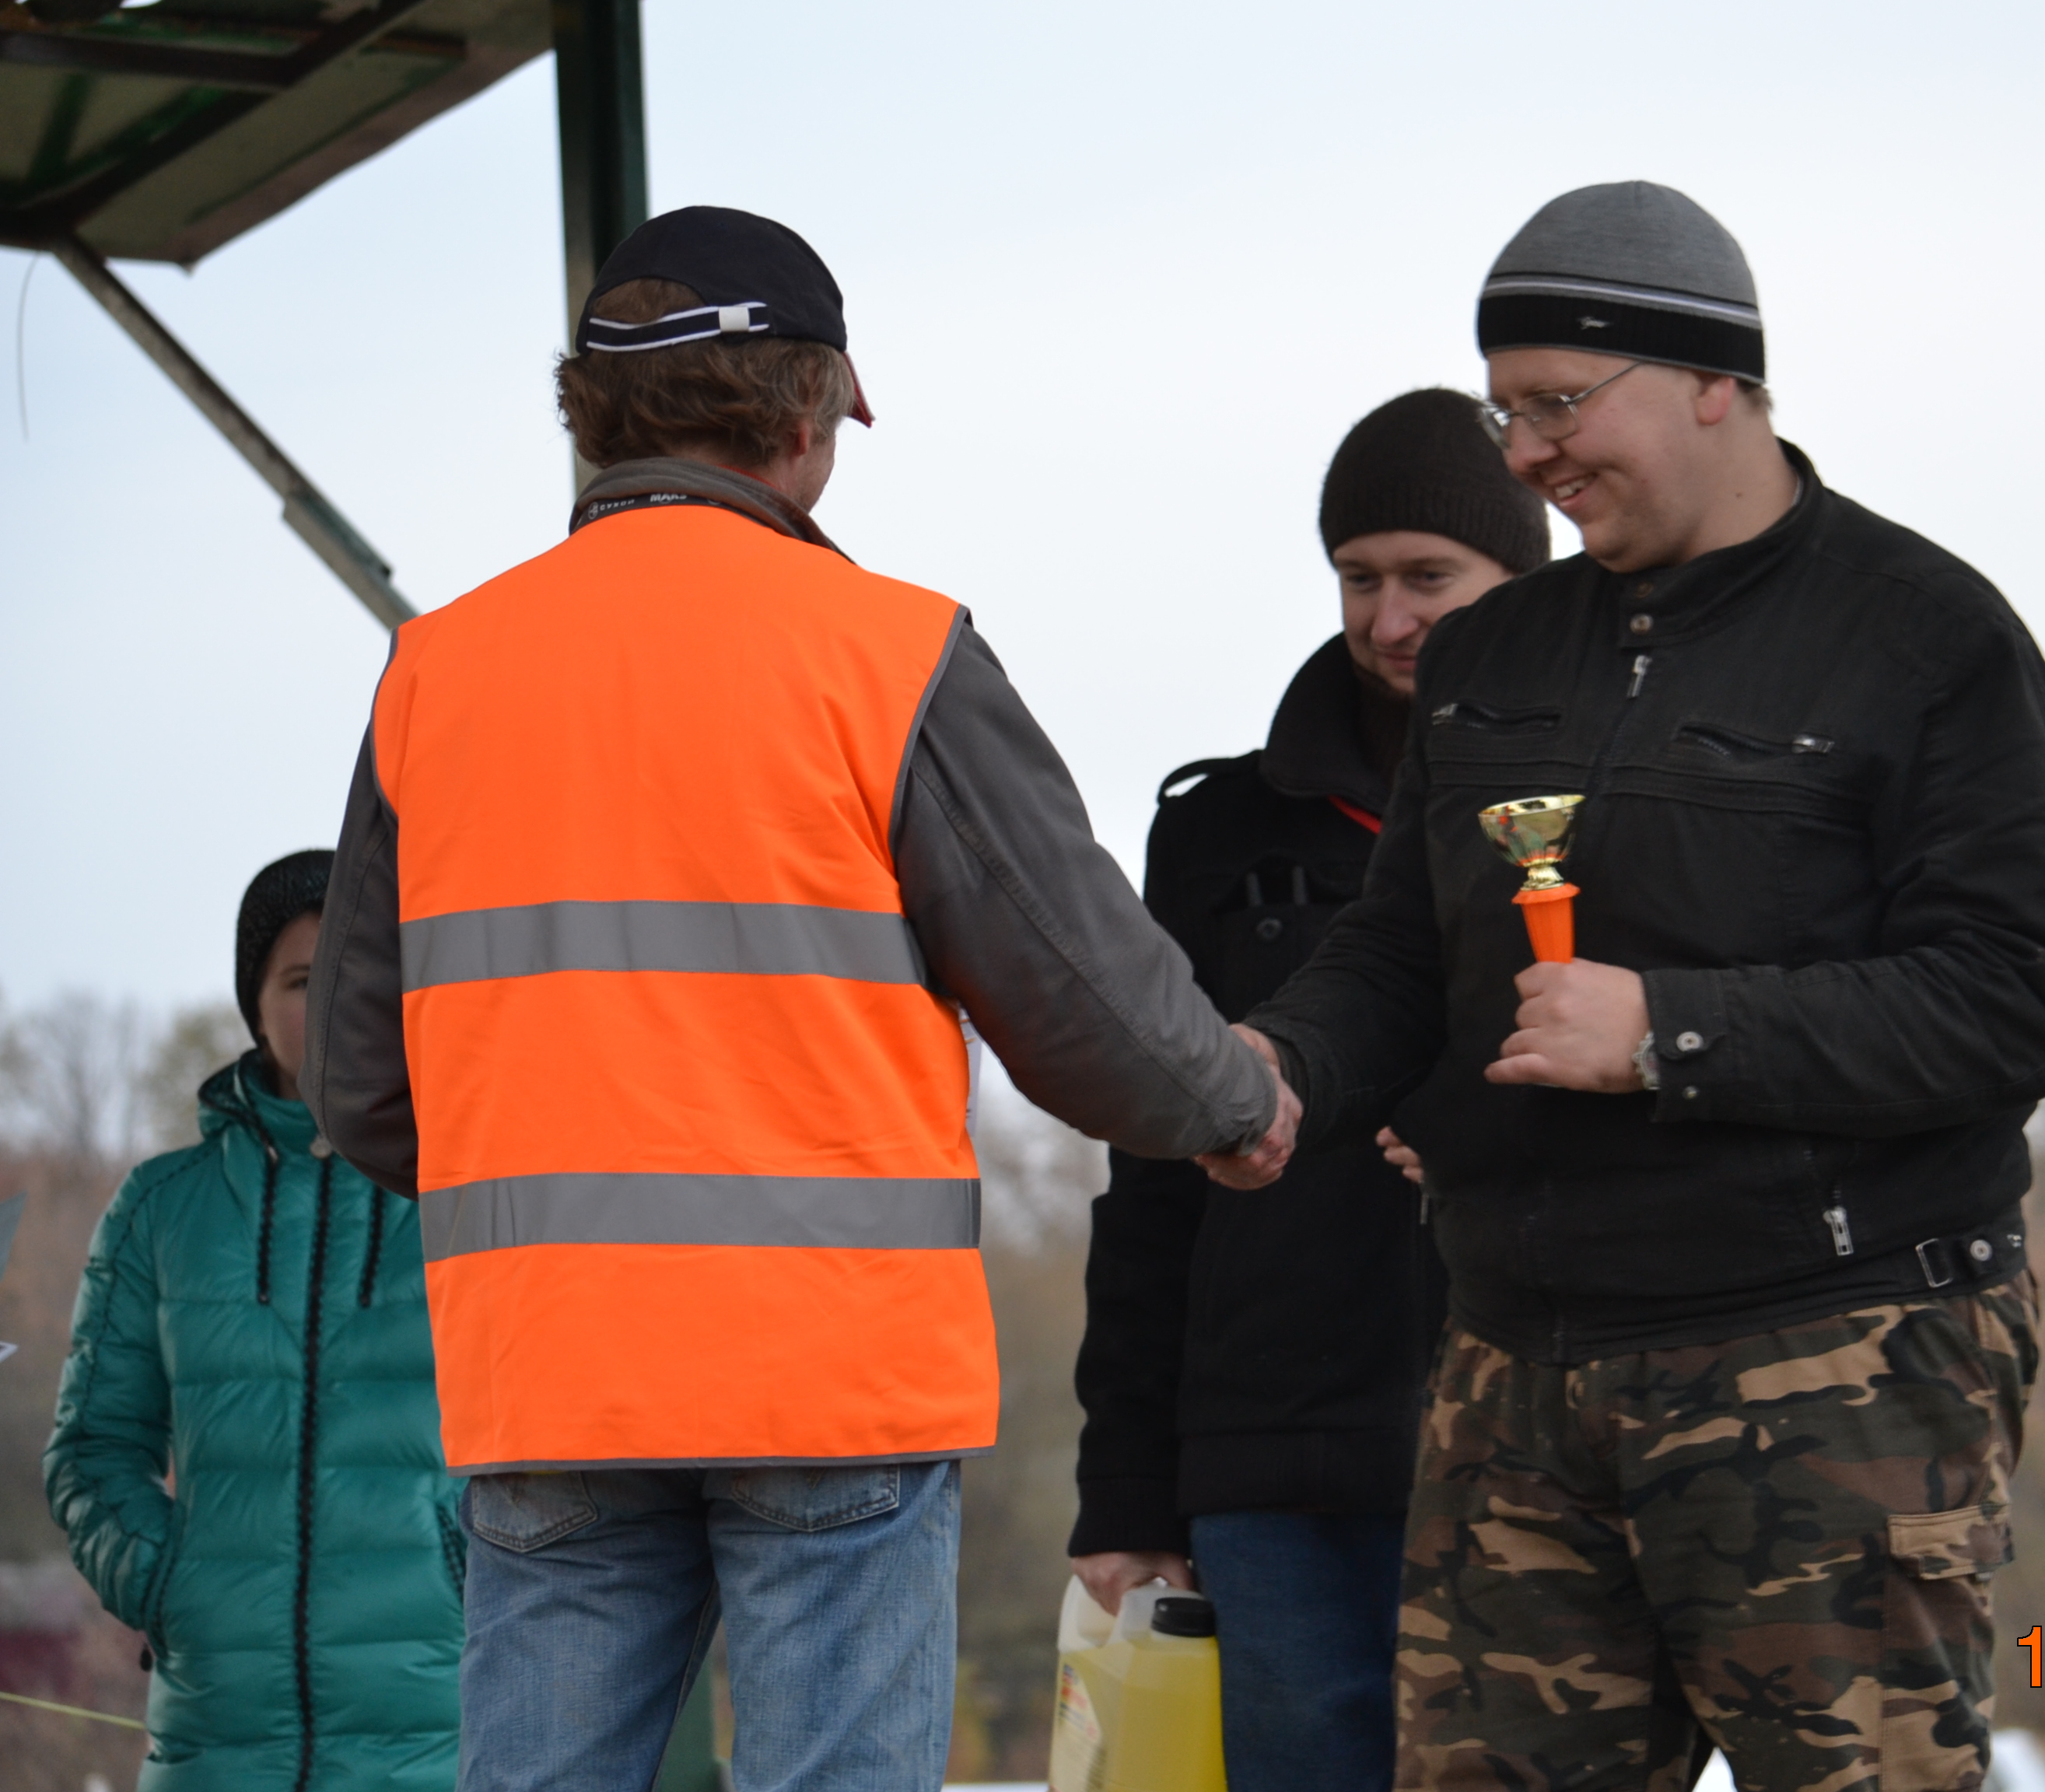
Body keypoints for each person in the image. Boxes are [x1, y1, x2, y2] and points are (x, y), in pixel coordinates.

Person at [302, 207, 1295, 1792]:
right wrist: (1238, 1103)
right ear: (808, 409)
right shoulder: (885, 653)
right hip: (830, 1371)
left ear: (596, 409)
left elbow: (359, 1083)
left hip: (550, 1367)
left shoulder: (439, 670)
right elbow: (1080, 992)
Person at [1227, 183, 2045, 1791]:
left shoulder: (1929, 639)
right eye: (1506, 413)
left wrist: (1670, 1033)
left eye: (1560, 404)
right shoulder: (1489, 657)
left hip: (1835, 1356)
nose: (1528, 454)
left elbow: (2021, 997)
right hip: (1512, 1369)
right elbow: (1402, 953)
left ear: (1715, 377)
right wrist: (1275, 1066)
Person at [1070, 390, 1550, 1792]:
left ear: (1521, 576)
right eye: (1359, 577)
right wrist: (1126, 1490)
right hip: (1276, 1462)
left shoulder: (1609, 812)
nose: (1391, 618)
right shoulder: (1217, 833)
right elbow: (1150, 1185)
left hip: (1546, 1440)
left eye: (1430, 577)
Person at [47, 850, 464, 1790]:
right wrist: (167, 1580)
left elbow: (552, 1434)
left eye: (358, 976)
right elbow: (92, 1448)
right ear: (256, 1005)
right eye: (302, 981)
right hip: (216, 1741)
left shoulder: (469, 1197)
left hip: (436, 1738)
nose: (331, 1005)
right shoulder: (161, 1209)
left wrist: (464, 1570)